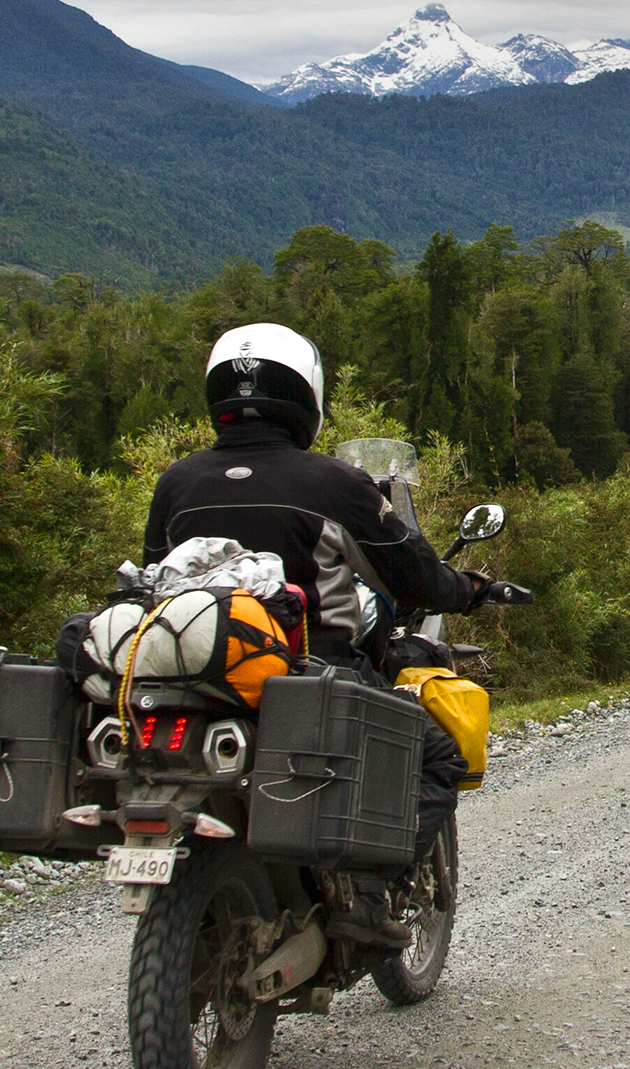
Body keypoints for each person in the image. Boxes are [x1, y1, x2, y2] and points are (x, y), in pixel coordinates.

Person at [143, 323, 485, 949]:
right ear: (306, 396)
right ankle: (370, 897)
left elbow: (150, 577)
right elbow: (414, 578)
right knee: (439, 758)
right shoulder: (335, 484)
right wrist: (471, 589)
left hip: (193, 681)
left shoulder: (177, 483)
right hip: (310, 674)